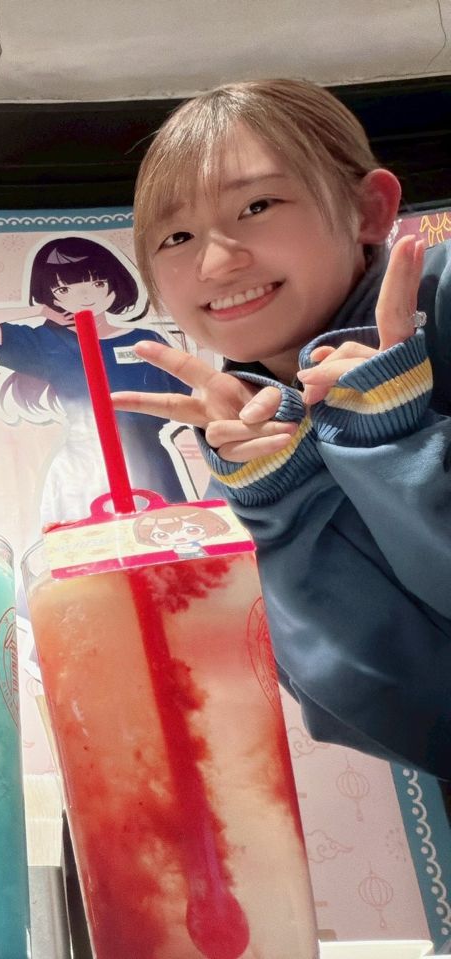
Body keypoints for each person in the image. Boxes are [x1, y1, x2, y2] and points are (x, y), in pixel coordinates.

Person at [112, 78, 451, 783]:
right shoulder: (251, 432)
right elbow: (394, 709)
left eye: (257, 206)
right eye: (176, 237)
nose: (216, 263)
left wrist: (393, 442)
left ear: (368, 209)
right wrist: (284, 495)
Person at [0, 234, 191, 525]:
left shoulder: (145, 341)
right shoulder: (48, 343)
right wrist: (38, 309)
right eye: (64, 289)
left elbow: (188, 401)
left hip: (149, 462)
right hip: (82, 468)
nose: (84, 297)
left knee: (164, 537)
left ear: (114, 283)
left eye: (97, 283)